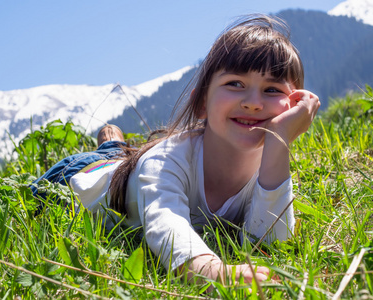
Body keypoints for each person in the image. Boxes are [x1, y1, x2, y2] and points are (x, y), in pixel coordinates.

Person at [36, 15, 321, 286]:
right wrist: (215, 272)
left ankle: (116, 145)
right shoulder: (164, 162)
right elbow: (166, 225)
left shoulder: (270, 164)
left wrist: (279, 141)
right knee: (106, 163)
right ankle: (111, 144)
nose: (253, 103)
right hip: (82, 175)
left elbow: (271, 247)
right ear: (201, 105)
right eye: (235, 84)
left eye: (272, 90)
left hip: (133, 167)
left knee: (125, 156)